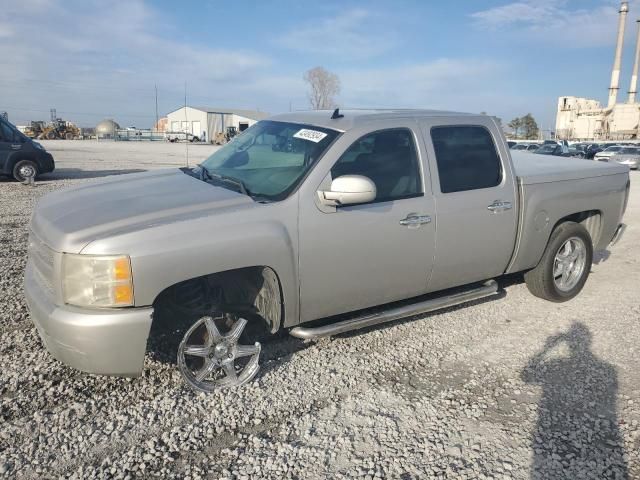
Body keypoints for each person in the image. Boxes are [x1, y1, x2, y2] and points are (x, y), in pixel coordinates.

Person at [521, 323, 628, 479]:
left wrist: (545, 349)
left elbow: (525, 377)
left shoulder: (557, 363)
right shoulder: (608, 369)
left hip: (548, 432)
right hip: (604, 433)